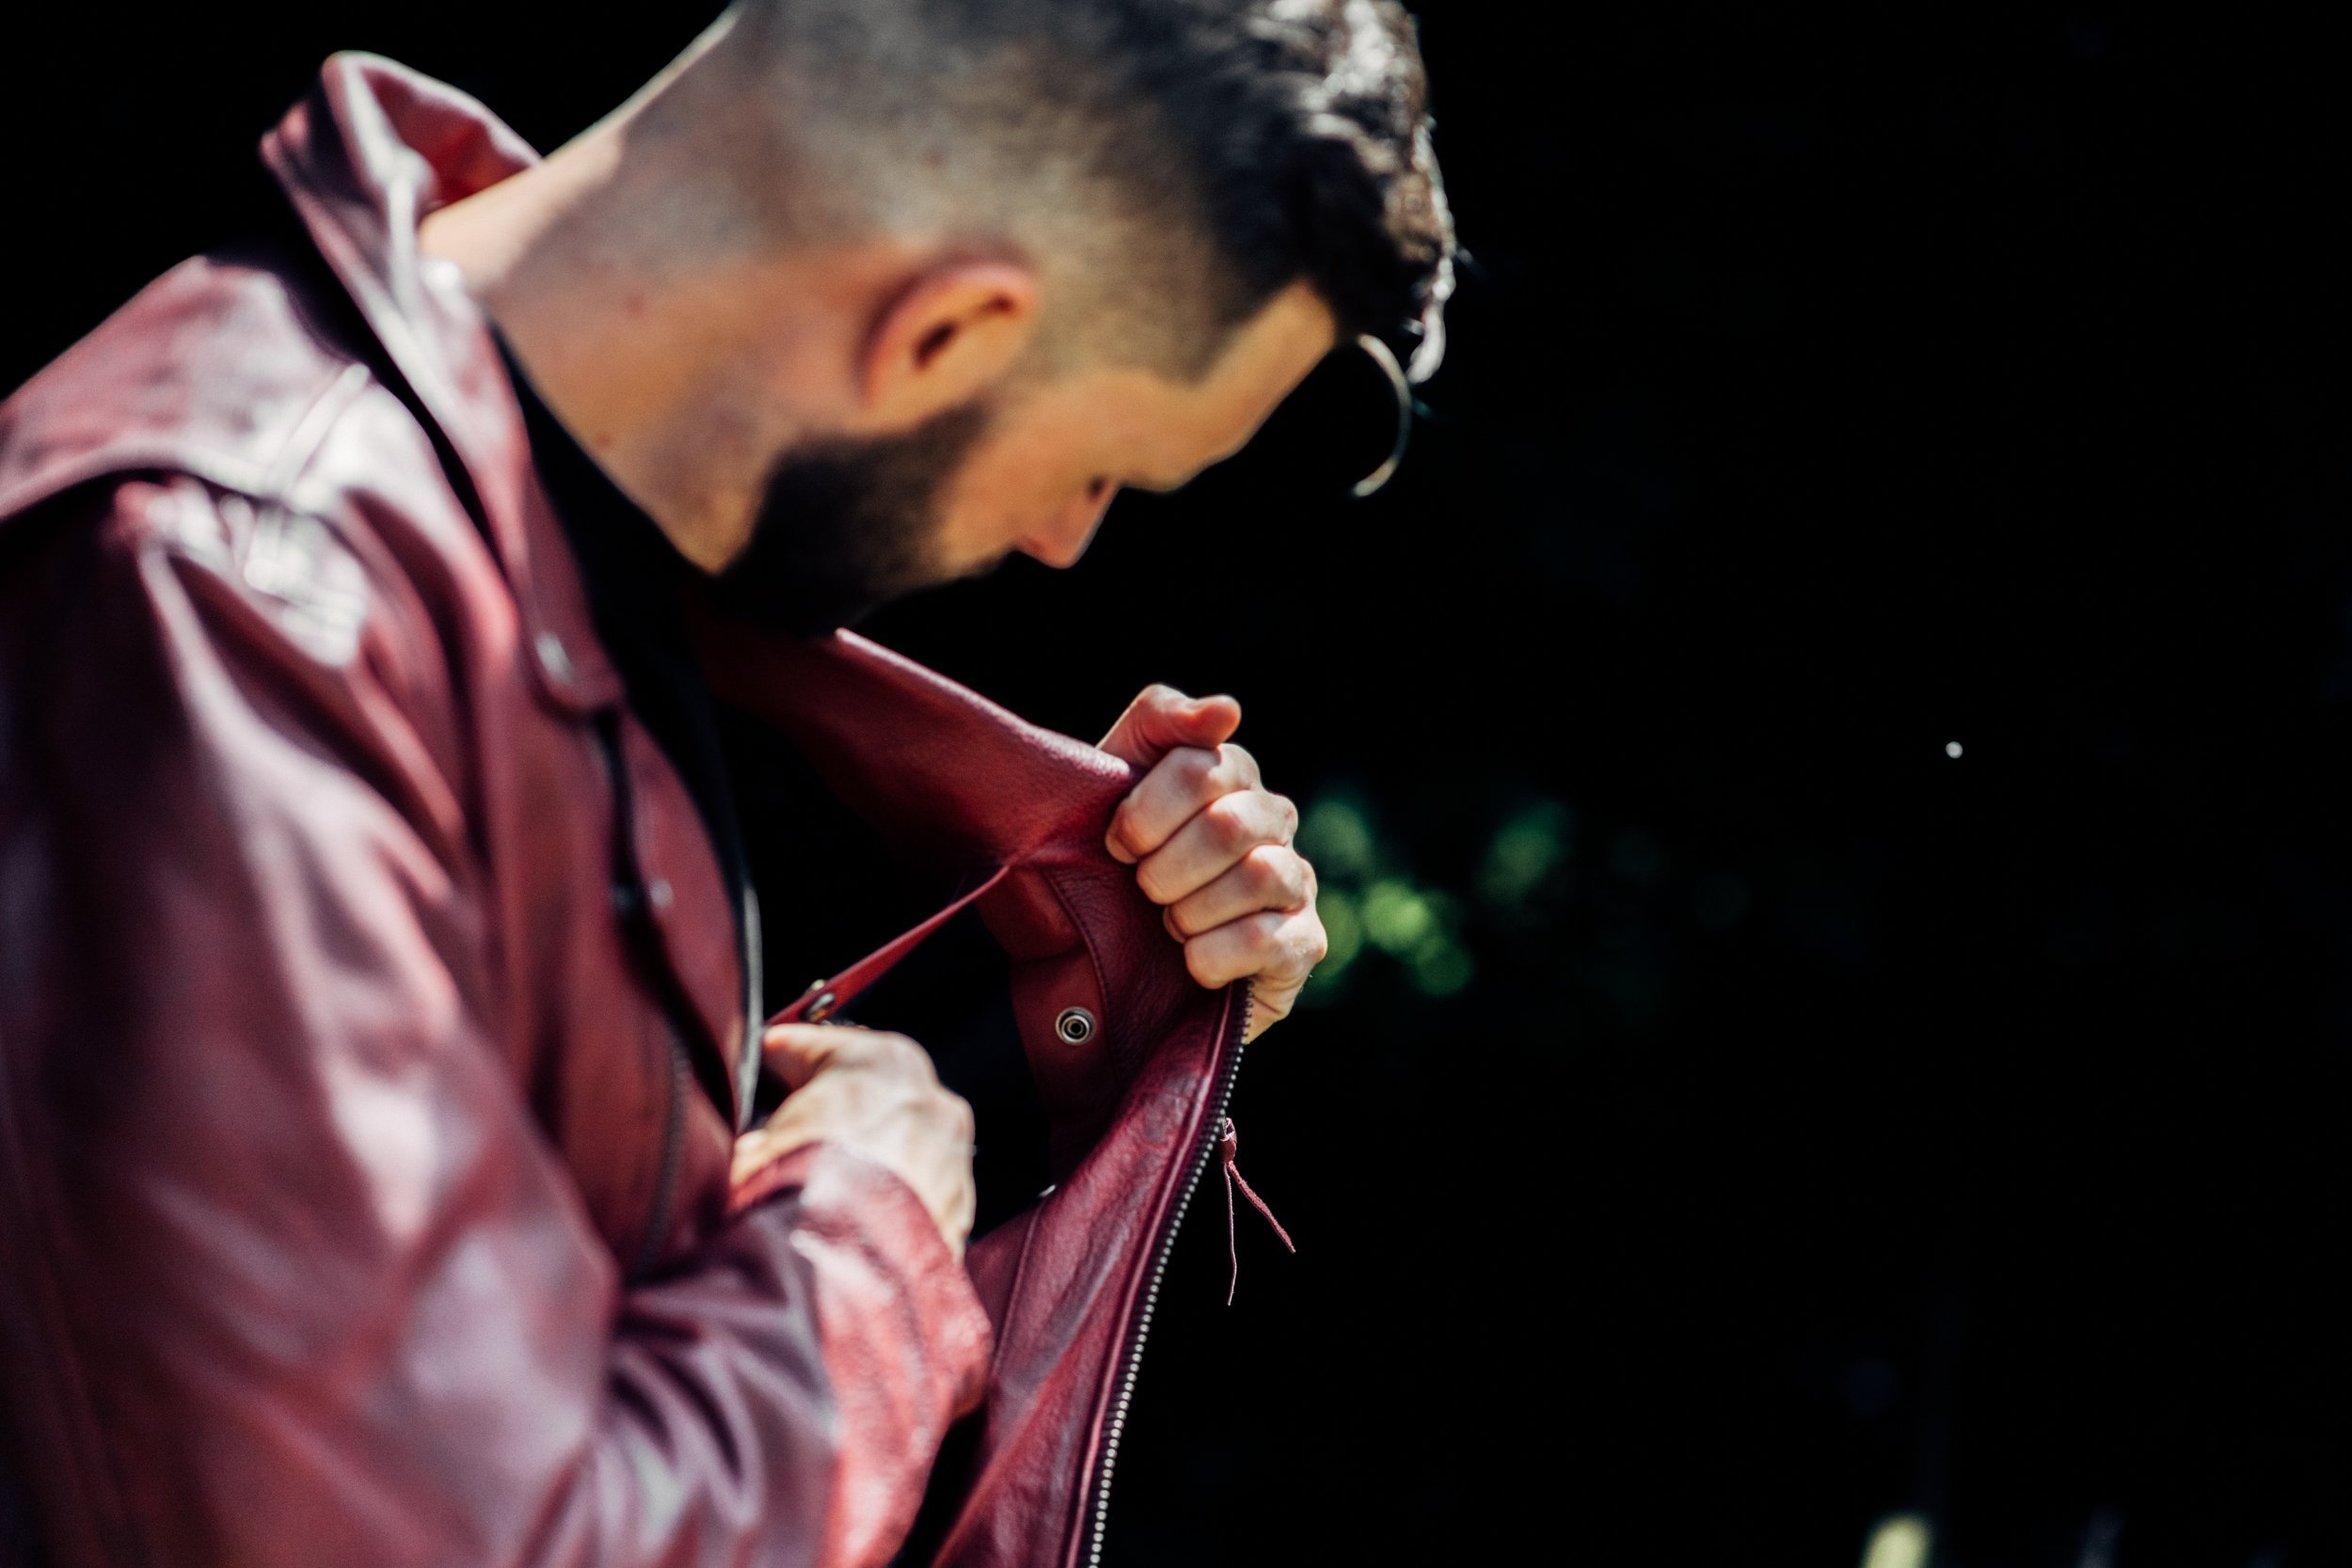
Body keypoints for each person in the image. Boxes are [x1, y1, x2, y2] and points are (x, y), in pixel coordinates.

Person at [0, 1, 1453, 1563]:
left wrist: (1079, 974)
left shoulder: (539, 573)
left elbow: (577, 1242)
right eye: (1104, 464)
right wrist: (866, 1245)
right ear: (946, 332)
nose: (1065, 540)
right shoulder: (239, 609)